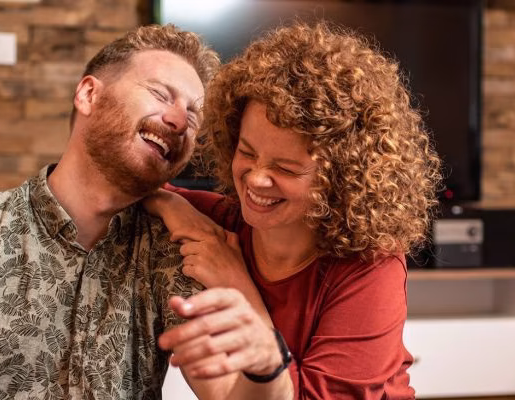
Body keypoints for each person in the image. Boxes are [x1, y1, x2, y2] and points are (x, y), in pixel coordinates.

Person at [0, 24, 292, 399]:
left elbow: (233, 396)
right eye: (161, 94)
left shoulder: (172, 253)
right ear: (89, 94)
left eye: (193, 115)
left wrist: (267, 364)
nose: (179, 120)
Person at [149, 21, 441, 399]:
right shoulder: (217, 221)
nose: (255, 180)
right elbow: (132, 188)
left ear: (341, 178)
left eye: (285, 169)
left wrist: (238, 284)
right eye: (247, 152)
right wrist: (170, 203)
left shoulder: (370, 267)